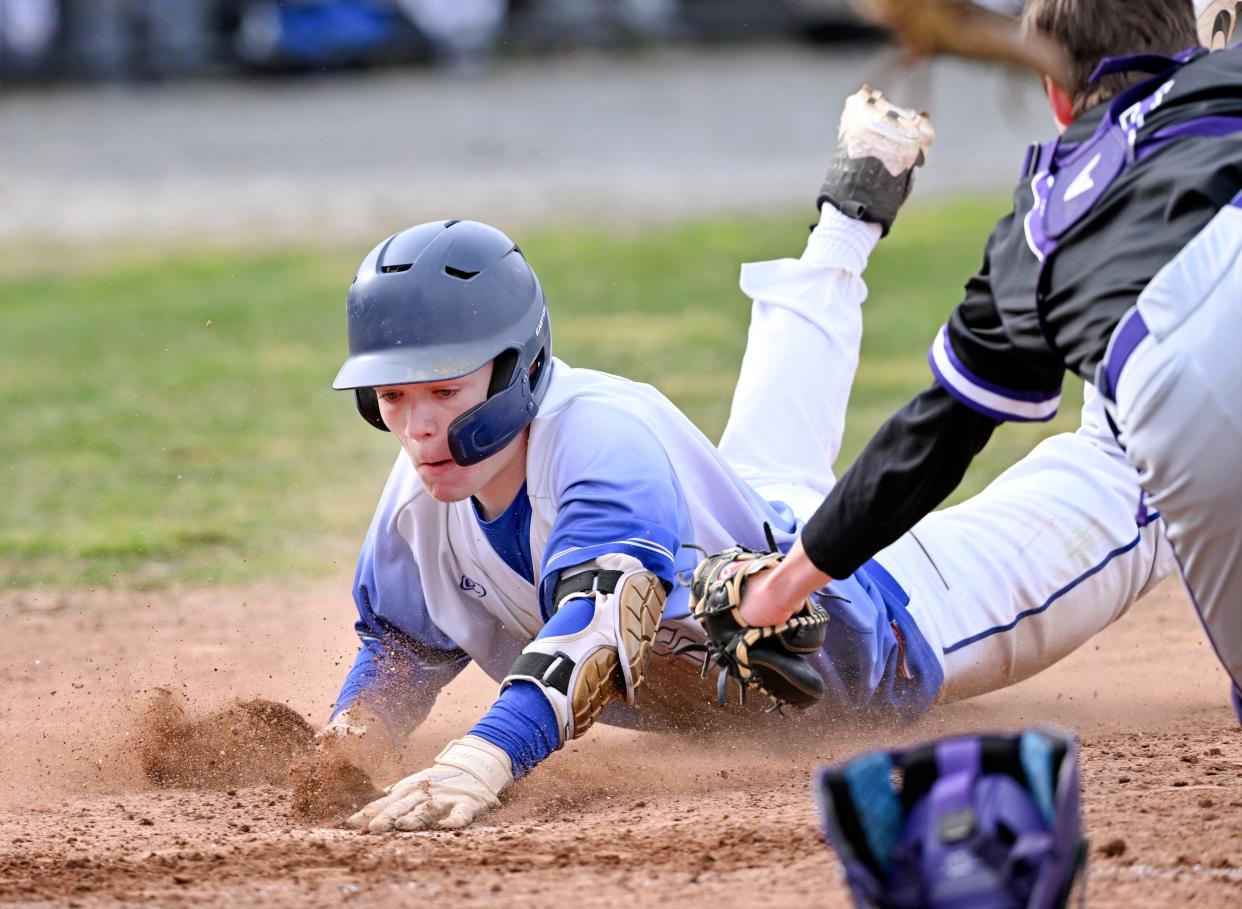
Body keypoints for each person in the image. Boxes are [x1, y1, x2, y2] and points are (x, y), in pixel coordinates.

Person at [323, 88, 1174, 835]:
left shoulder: (596, 445)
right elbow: (401, 644)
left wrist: (483, 758)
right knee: (763, 468)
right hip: (755, 530)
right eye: (391, 398)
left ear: (519, 369)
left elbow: (597, 632)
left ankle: (1182, 325)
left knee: (1130, 496)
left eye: (442, 390)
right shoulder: (419, 505)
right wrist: (344, 748)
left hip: (883, 618)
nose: (417, 426)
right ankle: (850, 211)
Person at [739, 0, 1242, 726]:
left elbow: (932, 441)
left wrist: (783, 587)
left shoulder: (1038, 233)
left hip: (1177, 406)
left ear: (1054, 95)